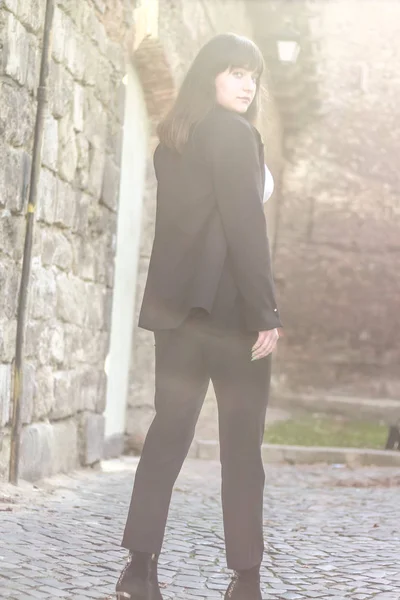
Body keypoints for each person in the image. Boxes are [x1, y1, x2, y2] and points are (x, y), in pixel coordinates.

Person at [116, 33, 282, 600]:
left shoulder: (172, 140)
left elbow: (188, 230)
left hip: (177, 317)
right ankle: (246, 579)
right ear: (209, 75)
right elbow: (244, 227)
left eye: (252, 75)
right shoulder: (235, 134)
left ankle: (138, 571)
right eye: (235, 72)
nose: (246, 84)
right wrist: (267, 312)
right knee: (242, 449)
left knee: (167, 438)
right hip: (233, 319)